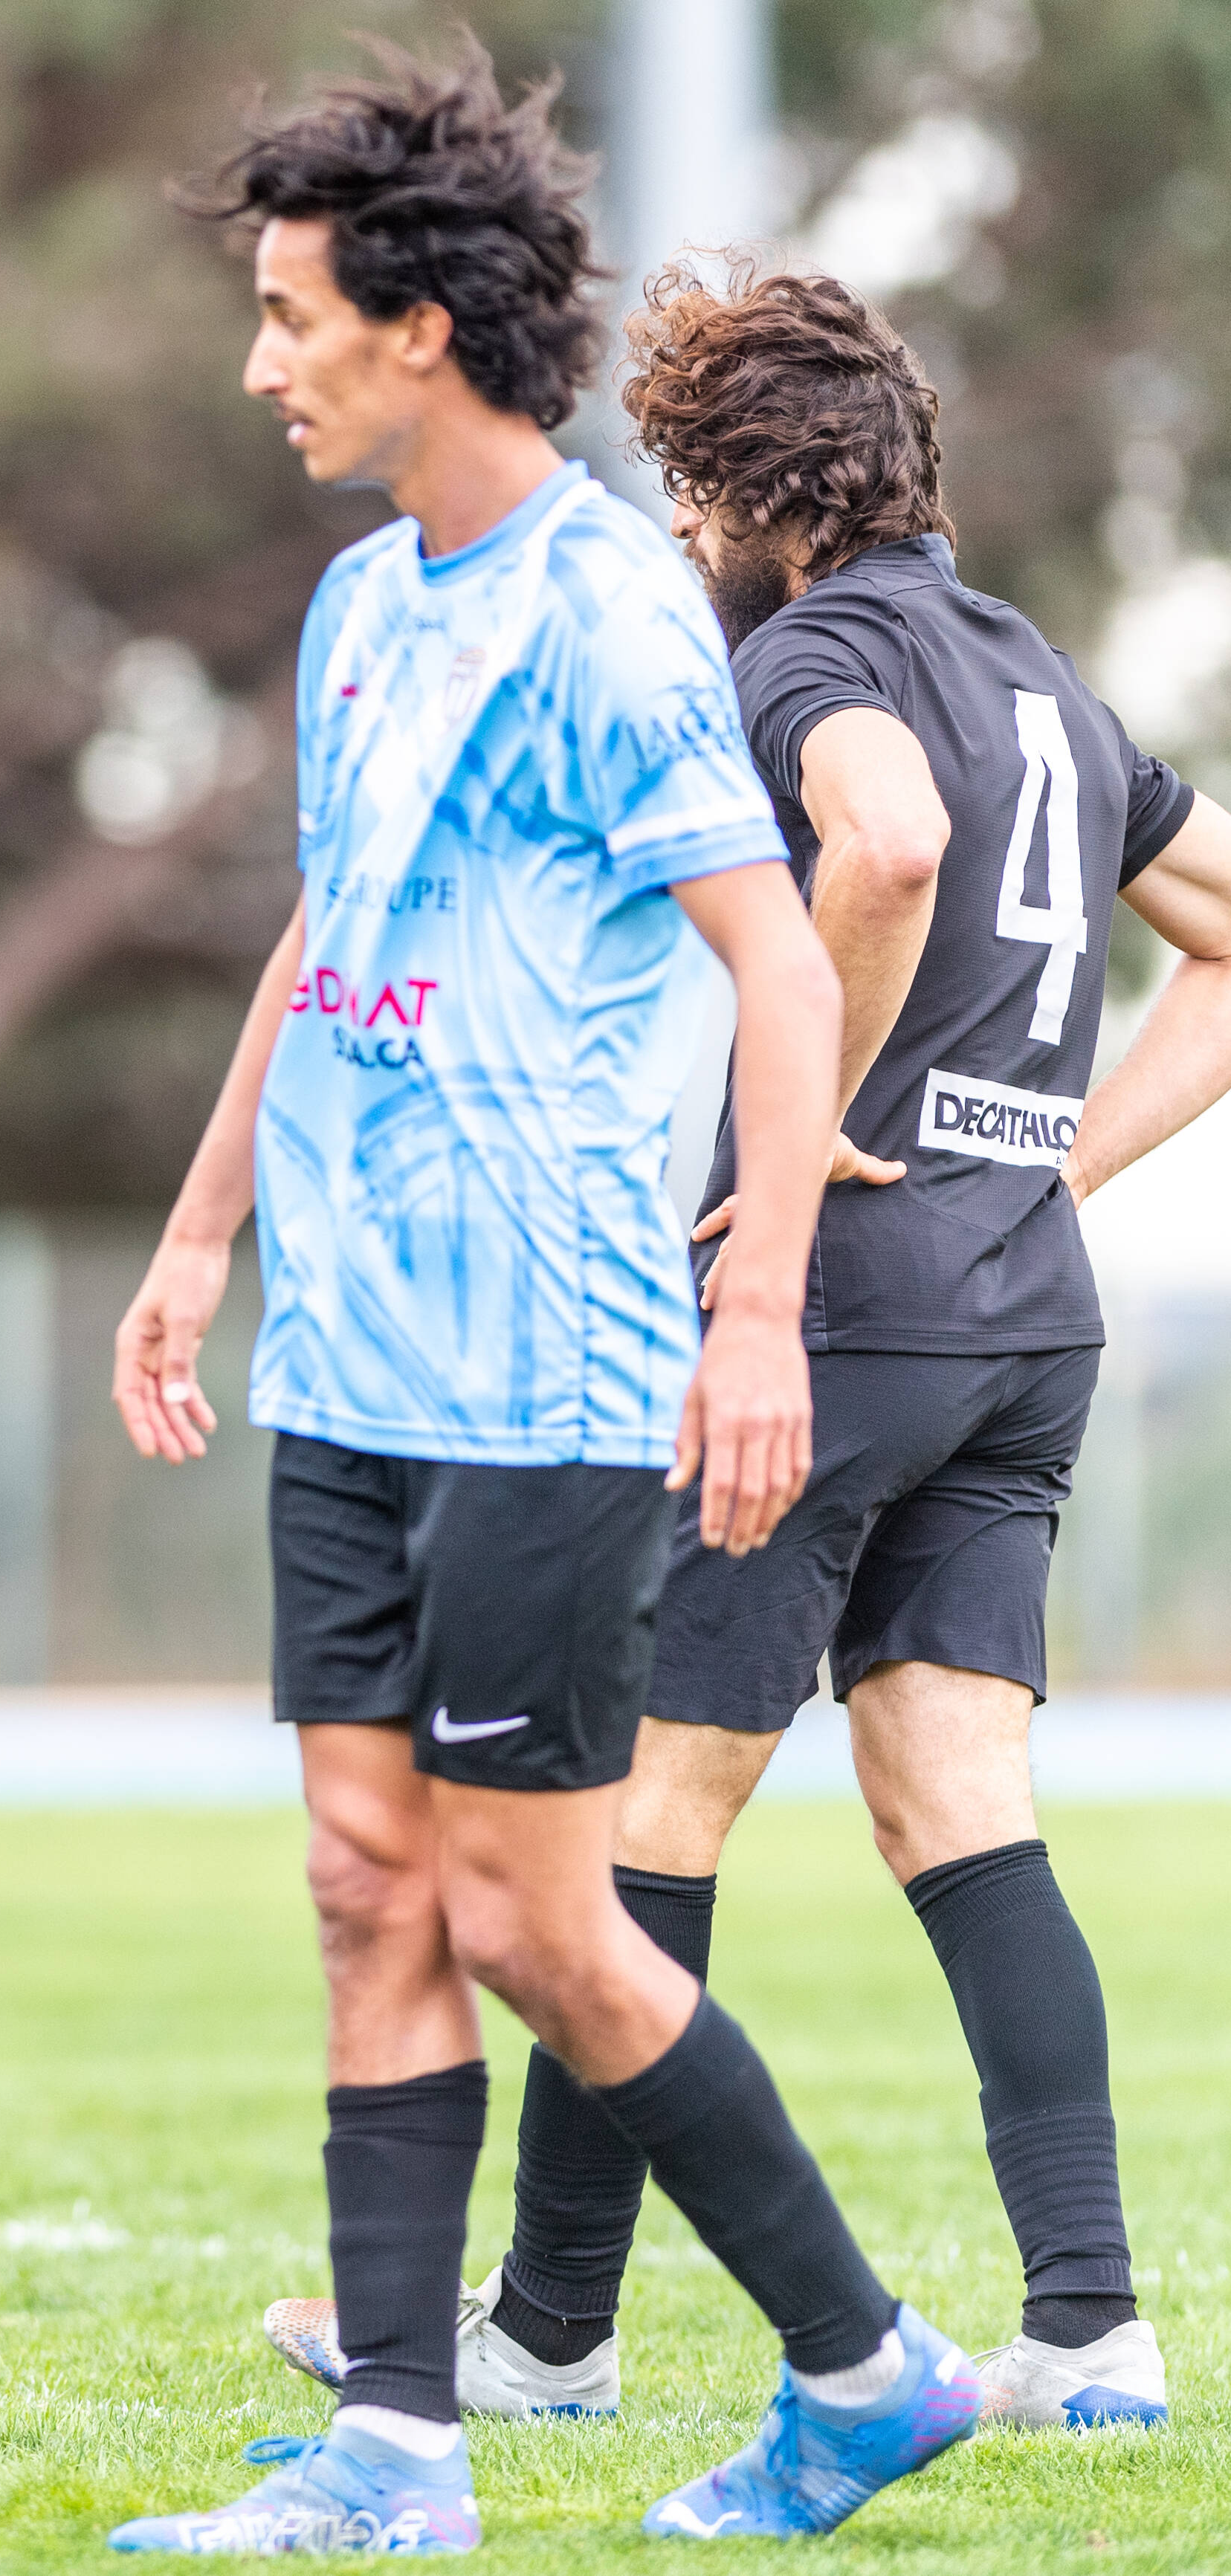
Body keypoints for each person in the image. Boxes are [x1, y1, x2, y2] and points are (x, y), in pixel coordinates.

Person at [106, 48, 979, 2551]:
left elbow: (784, 967)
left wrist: (763, 1305)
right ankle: (396, 2451)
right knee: (364, 1881)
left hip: (546, 1369)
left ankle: (864, 2365)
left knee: (529, 1913)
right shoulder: (357, 608)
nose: (262, 366)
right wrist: (202, 1226)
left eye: (292, 318)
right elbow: (330, 933)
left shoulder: (609, 613)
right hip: (347, 1355)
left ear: (421, 328)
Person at [260, 266, 1231, 2437]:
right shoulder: (1045, 675)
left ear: (759, 497)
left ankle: (546, 2335)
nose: (681, 539)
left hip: (849, 1321)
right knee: (960, 1806)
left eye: (690, 496)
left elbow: (881, 844)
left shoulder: (812, 651)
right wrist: (1043, 1162)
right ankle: (1089, 2328)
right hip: (1018, 1325)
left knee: (640, 1822)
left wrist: (810, 1148)